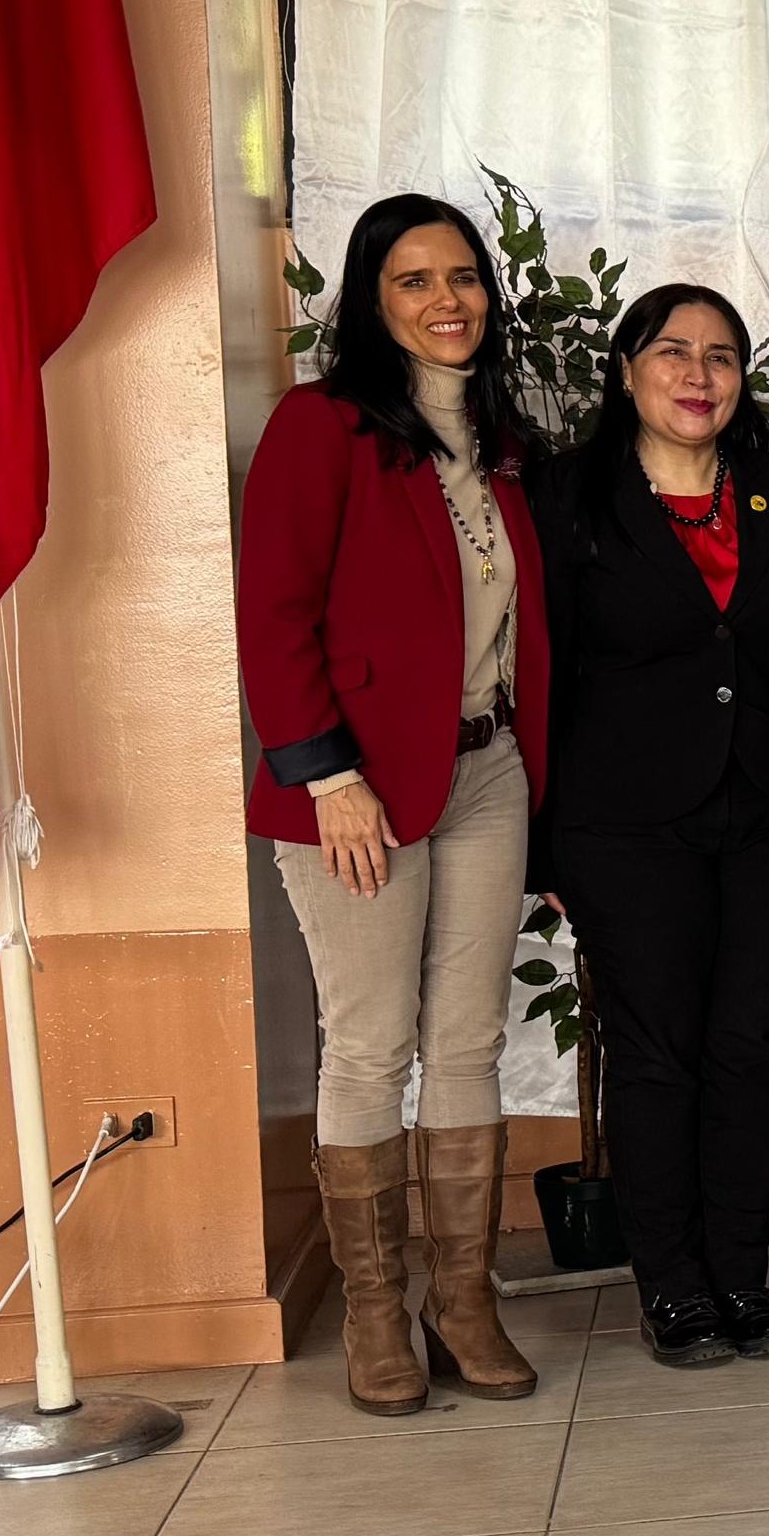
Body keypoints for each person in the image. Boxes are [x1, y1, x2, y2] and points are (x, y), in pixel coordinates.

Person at [239, 194, 554, 1415]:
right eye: (414, 280)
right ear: (371, 301)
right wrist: (328, 777)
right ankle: (376, 1313)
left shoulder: (503, 437)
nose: (447, 300)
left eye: (463, 276)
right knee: (371, 1045)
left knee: (468, 1041)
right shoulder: (319, 425)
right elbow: (273, 612)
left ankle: (459, 1301)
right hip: (355, 788)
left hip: (487, 773)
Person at [530, 286, 769, 1369]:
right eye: (672, 351)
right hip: (623, 824)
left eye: (721, 356)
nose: (698, 375)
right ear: (625, 370)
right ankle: (673, 1287)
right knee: (655, 1055)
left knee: (753, 1046)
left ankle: (742, 1279)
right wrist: (542, 846)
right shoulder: (565, 495)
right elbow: (539, 674)